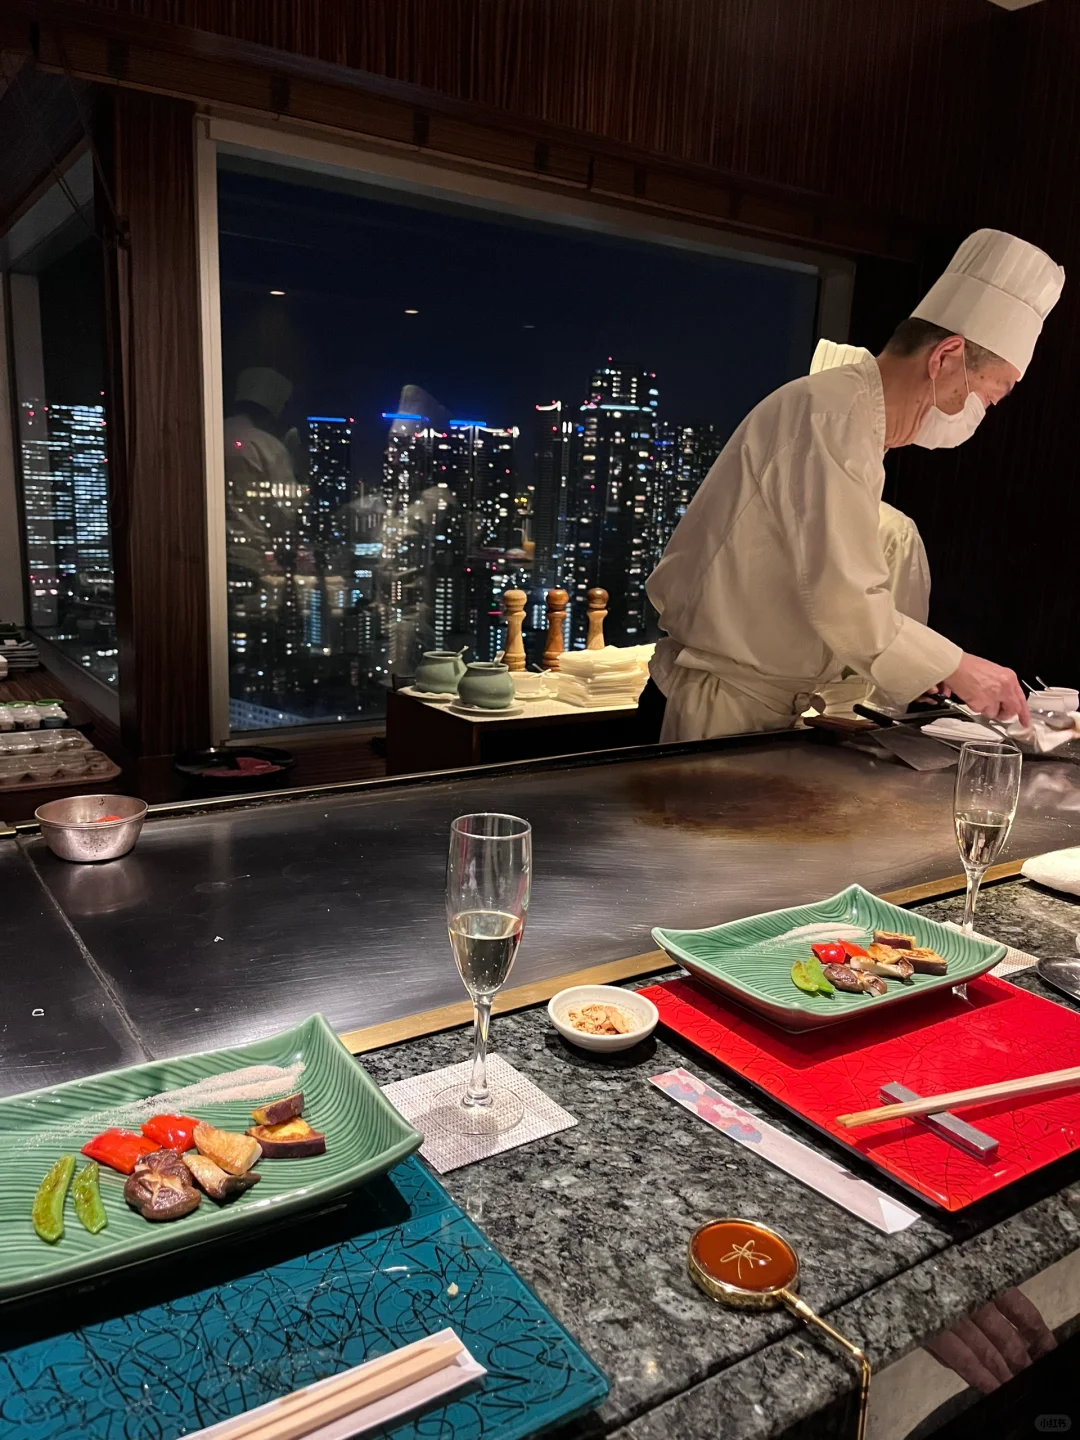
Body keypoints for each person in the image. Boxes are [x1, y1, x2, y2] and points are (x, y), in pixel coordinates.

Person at [644, 229, 1064, 744]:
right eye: (985, 396)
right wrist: (960, 666)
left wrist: (924, 668)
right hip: (723, 709)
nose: (975, 414)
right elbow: (844, 599)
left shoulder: (856, 423)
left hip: (759, 707)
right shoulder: (832, 413)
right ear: (945, 357)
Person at [807, 341, 933, 717]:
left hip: (841, 720)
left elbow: (901, 656)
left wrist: (871, 732)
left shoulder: (893, 531)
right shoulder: (773, 513)